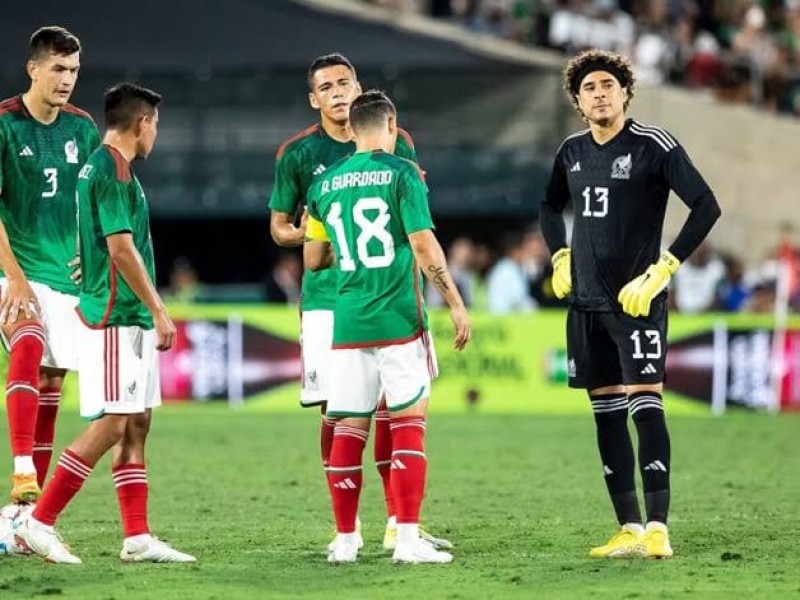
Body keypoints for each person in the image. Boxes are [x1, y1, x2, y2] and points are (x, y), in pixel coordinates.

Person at [539, 49, 721, 559]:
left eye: (607, 85)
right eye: (589, 88)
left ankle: (658, 528)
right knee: (606, 414)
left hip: (637, 301)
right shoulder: (571, 151)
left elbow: (706, 205)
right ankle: (629, 528)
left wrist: (665, 267)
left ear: (625, 93)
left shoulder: (653, 145)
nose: (599, 94)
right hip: (586, 304)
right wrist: (559, 255)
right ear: (578, 101)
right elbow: (549, 204)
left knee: (645, 406)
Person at [268, 53, 449, 551]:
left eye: (344, 83)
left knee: (393, 406)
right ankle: (346, 528)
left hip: (387, 293)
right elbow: (279, 228)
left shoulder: (398, 142)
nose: (338, 93)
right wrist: (323, 226)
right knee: (338, 410)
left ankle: (396, 521)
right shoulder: (297, 154)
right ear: (314, 99)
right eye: (326, 87)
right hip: (328, 300)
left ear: (358, 87)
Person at [17, 83, 195, 564]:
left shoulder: (97, 166)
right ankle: (39, 522)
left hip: (124, 314)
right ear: (142, 122)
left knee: (137, 423)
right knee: (114, 423)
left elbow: (93, 239)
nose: (156, 134)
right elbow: (120, 247)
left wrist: (87, 262)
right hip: (117, 317)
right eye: (156, 125)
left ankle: (137, 537)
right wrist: (159, 309)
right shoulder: (113, 169)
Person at [304, 90, 470, 564]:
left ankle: (345, 541)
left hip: (348, 321)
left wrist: (348, 248)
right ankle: (407, 540)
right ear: (391, 124)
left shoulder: (325, 184)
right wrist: (456, 303)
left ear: (352, 129)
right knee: (408, 425)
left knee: (348, 428)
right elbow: (424, 245)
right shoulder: (403, 173)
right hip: (398, 320)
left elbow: (313, 258)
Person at [0, 26, 101, 503]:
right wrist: (16, 278)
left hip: (65, 276)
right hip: (12, 268)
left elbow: (93, 201)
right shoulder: (4, 123)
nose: (67, 79)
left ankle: (24, 518)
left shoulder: (82, 128)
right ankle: (22, 470)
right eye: (58, 69)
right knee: (28, 338)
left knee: (50, 384)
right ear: (33, 69)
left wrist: (90, 252)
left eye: (74, 70)